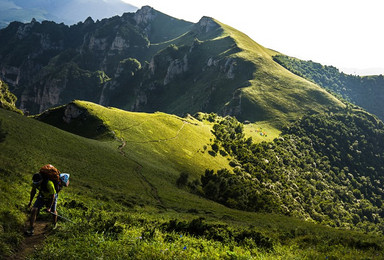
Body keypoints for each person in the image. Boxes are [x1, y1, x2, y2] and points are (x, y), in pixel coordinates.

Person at [26, 165, 69, 236]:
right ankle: (31, 228)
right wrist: (30, 201)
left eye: (37, 183)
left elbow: (53, 196)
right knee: (34, 210)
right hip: (42, 196)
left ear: (41, 180)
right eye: (35, 183)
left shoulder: (49, 184)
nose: (36, 184)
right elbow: (33, 191)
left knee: (53, 211)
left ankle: (54, 225)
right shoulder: (35, 183)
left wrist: (49, 207)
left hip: (52, 196)